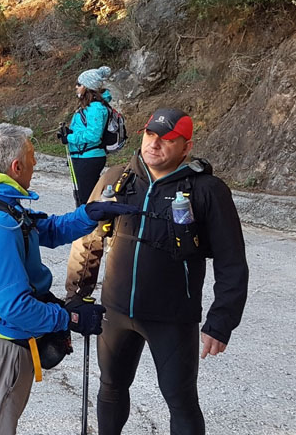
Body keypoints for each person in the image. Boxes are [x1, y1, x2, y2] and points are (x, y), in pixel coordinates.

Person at [65, 108, 249, 435]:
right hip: (115, 311)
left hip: (172, 318)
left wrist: (222, 320)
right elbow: (88, 237)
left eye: (168, 139)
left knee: (180, 400)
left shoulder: (207, 191)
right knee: (110, 388)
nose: (155, 144)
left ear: (186, 146)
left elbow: (231, 260)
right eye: (151, 134)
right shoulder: (117, 179)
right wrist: (76, 296)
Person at [0, 123, 137, 435]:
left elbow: (45, 229)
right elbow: (15, 308)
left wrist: (88, 215)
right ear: (16, 167)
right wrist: (69, 318)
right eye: (32, 157)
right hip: (2, 349)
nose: (36, 163)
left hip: (2, 344)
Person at [59, 65, 113, 206]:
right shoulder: (90, 107)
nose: (76, 87)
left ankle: (89, 226)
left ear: (87, 87)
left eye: (79, 84)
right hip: (83, 156)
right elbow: (85, 130)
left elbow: (94, 136)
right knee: (83, 197)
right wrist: (69, 132)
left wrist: (69, 138)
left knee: (86, 200)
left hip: (89, 158)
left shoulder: (95, 108)